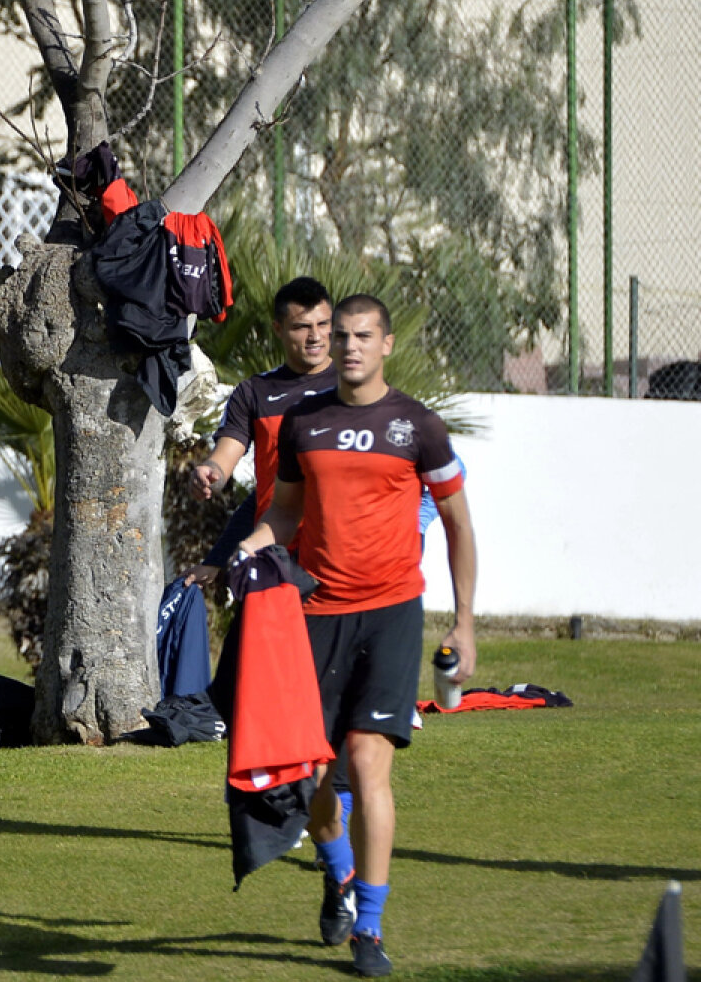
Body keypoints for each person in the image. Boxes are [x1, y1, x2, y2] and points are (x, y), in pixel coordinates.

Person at [237, 293, 477, 977]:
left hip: (392, 612)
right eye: (340, 335)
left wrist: (464, 622)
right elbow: (284, 514)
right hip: (316, 616)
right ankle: (337, 869)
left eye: (362, 336)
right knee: (315, 778)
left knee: (369, 763)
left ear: (386, 344)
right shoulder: (304, 423)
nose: (348, 346)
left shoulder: (418, 426)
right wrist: (248, 551)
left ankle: (369, 926)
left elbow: (459, 525)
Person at [183, 276, 335, 585]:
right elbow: (225, 459)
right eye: (302, 327)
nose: (315, 336)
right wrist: (211, 473)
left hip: (339, 557)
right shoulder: (255, 392)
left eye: (323, 324)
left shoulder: (354, 387)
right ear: (278, 329)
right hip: (274, 556)